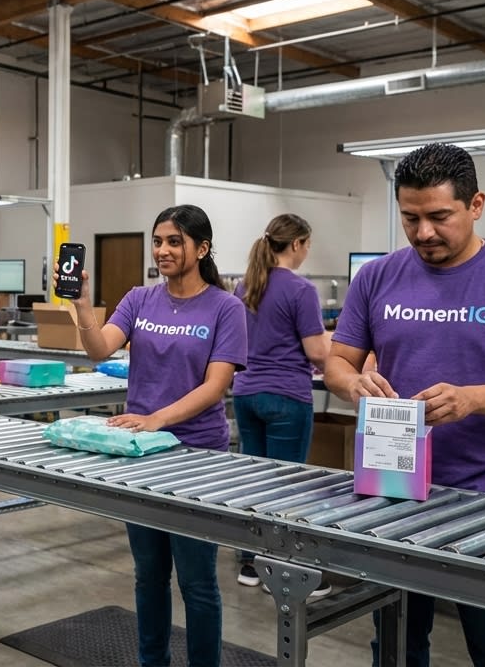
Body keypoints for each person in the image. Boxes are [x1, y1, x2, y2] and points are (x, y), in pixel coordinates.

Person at [324, 143, 485, 667]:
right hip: (393, 486)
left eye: (439, 217)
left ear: (476, 204)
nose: (423, 233)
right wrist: (354, 385)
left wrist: (472, 398)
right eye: (410, 218)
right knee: (396, 644)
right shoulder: (376, 277)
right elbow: (338, 363)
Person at [64, 204, 247, 667]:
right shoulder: (139, 299)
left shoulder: (226, 308)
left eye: (174, 242)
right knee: (148, 575)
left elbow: (215, 386)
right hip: (142, 454)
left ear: (201, 249)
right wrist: (82, 305)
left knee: (196, 581)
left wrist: (157, 418)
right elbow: (99, 348)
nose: (163, 250)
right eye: (158, 241)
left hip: (197, 457)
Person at [230, 213, 330, 592]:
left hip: (246, 394)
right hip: (286, 397)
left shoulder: (245, 285)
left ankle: (250, 564)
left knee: (254, 482)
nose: (307, 252)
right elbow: (316, 352)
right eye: (307, 245)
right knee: (287, 486)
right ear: (297, 244)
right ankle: (285, 572)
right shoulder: (301, 290)